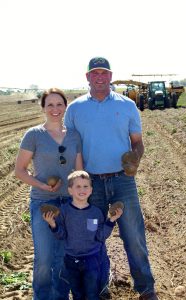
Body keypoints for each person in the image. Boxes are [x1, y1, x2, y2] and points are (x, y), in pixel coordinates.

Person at [64, 57, 159, 300]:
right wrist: (77, 183)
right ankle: (99, 288)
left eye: (104, 73)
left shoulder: (127, 105)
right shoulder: (75, 109)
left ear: (110, 76)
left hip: (122, 183)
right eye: (94, 73)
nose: (99, 77)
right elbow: (71, 147)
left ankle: (146, 289)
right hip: (90, 186)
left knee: (134, 236)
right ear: (87, 77)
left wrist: (135, 158)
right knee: (93, 237)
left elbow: (138, 144)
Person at [15, 88, 83, 300]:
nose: (55, 109)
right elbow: (20, 170)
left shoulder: (74, 136)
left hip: (67, 204)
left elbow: (80, 172)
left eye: (59, 104)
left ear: (65, 107)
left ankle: (61, 296)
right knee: (44, 257)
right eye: (50, 105)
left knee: (63, 257)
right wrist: (42, 186)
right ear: (43, 108)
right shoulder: (34, 135)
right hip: (43, 203)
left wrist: (78, 196)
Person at [43, 170, 123, 300]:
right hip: (71, 260)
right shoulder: (64, 211)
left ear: (91, 190)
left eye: (86, 186)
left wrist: (111, 220)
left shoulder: (95, 213)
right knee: (77, 294)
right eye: (78, 186)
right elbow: (61, 235)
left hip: (92, 259)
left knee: (92, 294)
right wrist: (53, 224)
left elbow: (99, 236)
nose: (82, 189)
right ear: (70, 190)